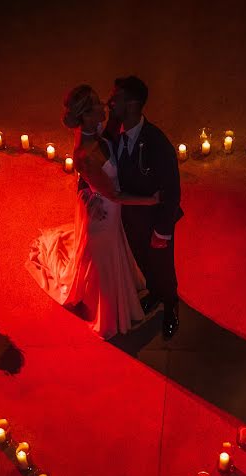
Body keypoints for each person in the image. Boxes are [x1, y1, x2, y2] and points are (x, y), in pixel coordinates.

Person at [25, 85, 159, 340]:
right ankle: (109, 311)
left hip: (102, 206)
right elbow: (115, 195)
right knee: (104, 260)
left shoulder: (93, 130)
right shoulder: (85, 153)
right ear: (86, 116)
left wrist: (85, 191)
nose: (105, 105)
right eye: (98, 103)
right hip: (105, 216)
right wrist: (150, 200)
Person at [105, 76, 183, 338]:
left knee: (162, 265)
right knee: (143, 262)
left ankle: (171, 304)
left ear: (132, 104)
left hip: (153, 221)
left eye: (116, 98)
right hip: (128, 217)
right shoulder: (114, 130)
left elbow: (171, 191)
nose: (110, 102)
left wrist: (162, 232)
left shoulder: (157, 143)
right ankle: (155, 293)